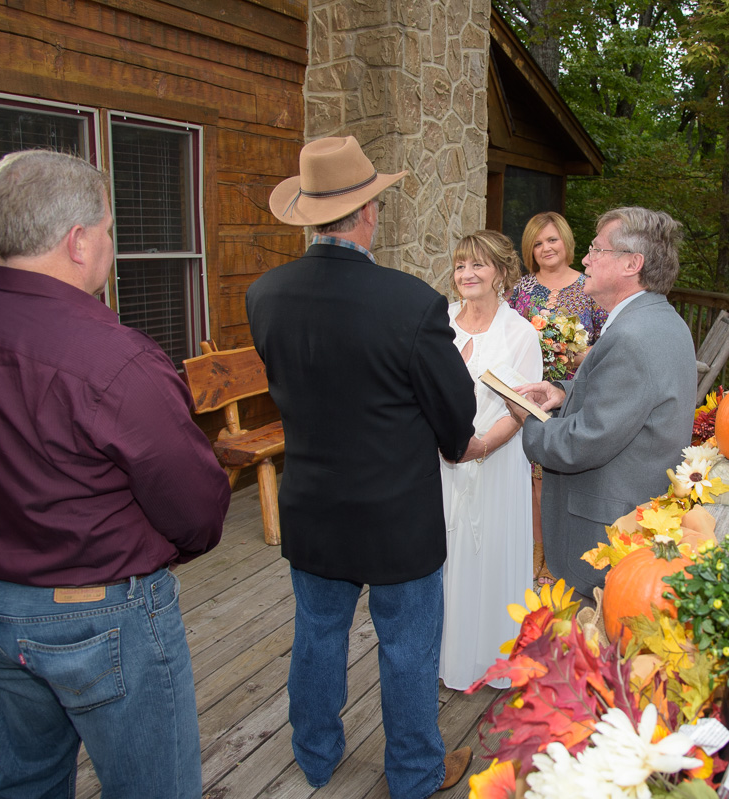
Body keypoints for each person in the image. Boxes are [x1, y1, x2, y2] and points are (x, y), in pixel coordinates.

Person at [0, 149, 231, 798]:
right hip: (95, 619)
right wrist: (172, 551)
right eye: (110, 229)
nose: (110, 244)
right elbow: (196, 505)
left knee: (28, 777)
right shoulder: (116, 359)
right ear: (77, 240)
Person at [245, 136, 477, 797]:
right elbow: (455, 418)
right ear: (368, 212)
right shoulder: (410, 304)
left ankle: (315, 755)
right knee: (406, 646)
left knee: (317, 634)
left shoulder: (265, 296)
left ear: (311, 216)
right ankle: (413, 773)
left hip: (314, 504)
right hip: (397, 515)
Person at [507, 207, 697, 598]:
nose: (586, 259)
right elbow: (624, 398)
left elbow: (582, 442)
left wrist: (528, 419)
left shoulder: (634, 336)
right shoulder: (659, 319)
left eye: (596, 249)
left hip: (606, 535)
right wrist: (564, 392)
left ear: (631, 263)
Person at [439, 230, 542, 691]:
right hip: (443, 462)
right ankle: (446, 657)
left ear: (501, 272)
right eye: (461, 265)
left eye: (478, 265)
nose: (467, 274)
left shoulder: (518, 333)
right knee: (448, 556)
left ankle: (490, 661)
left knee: (490, 554)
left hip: (496, 461)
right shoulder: (440, 323)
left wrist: (480, 448)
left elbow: (520, 411)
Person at [506, 212, 608, 583]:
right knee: (533, 477)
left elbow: (607, 342)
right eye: (537, 243)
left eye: (552, 240)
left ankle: (562, 552)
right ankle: (538, 549)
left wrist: (575, 353)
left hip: (573, 393)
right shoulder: (521, 290)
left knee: (560, 476)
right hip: (529, 391)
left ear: (566, 240)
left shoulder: (590, 288)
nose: (546, 248)